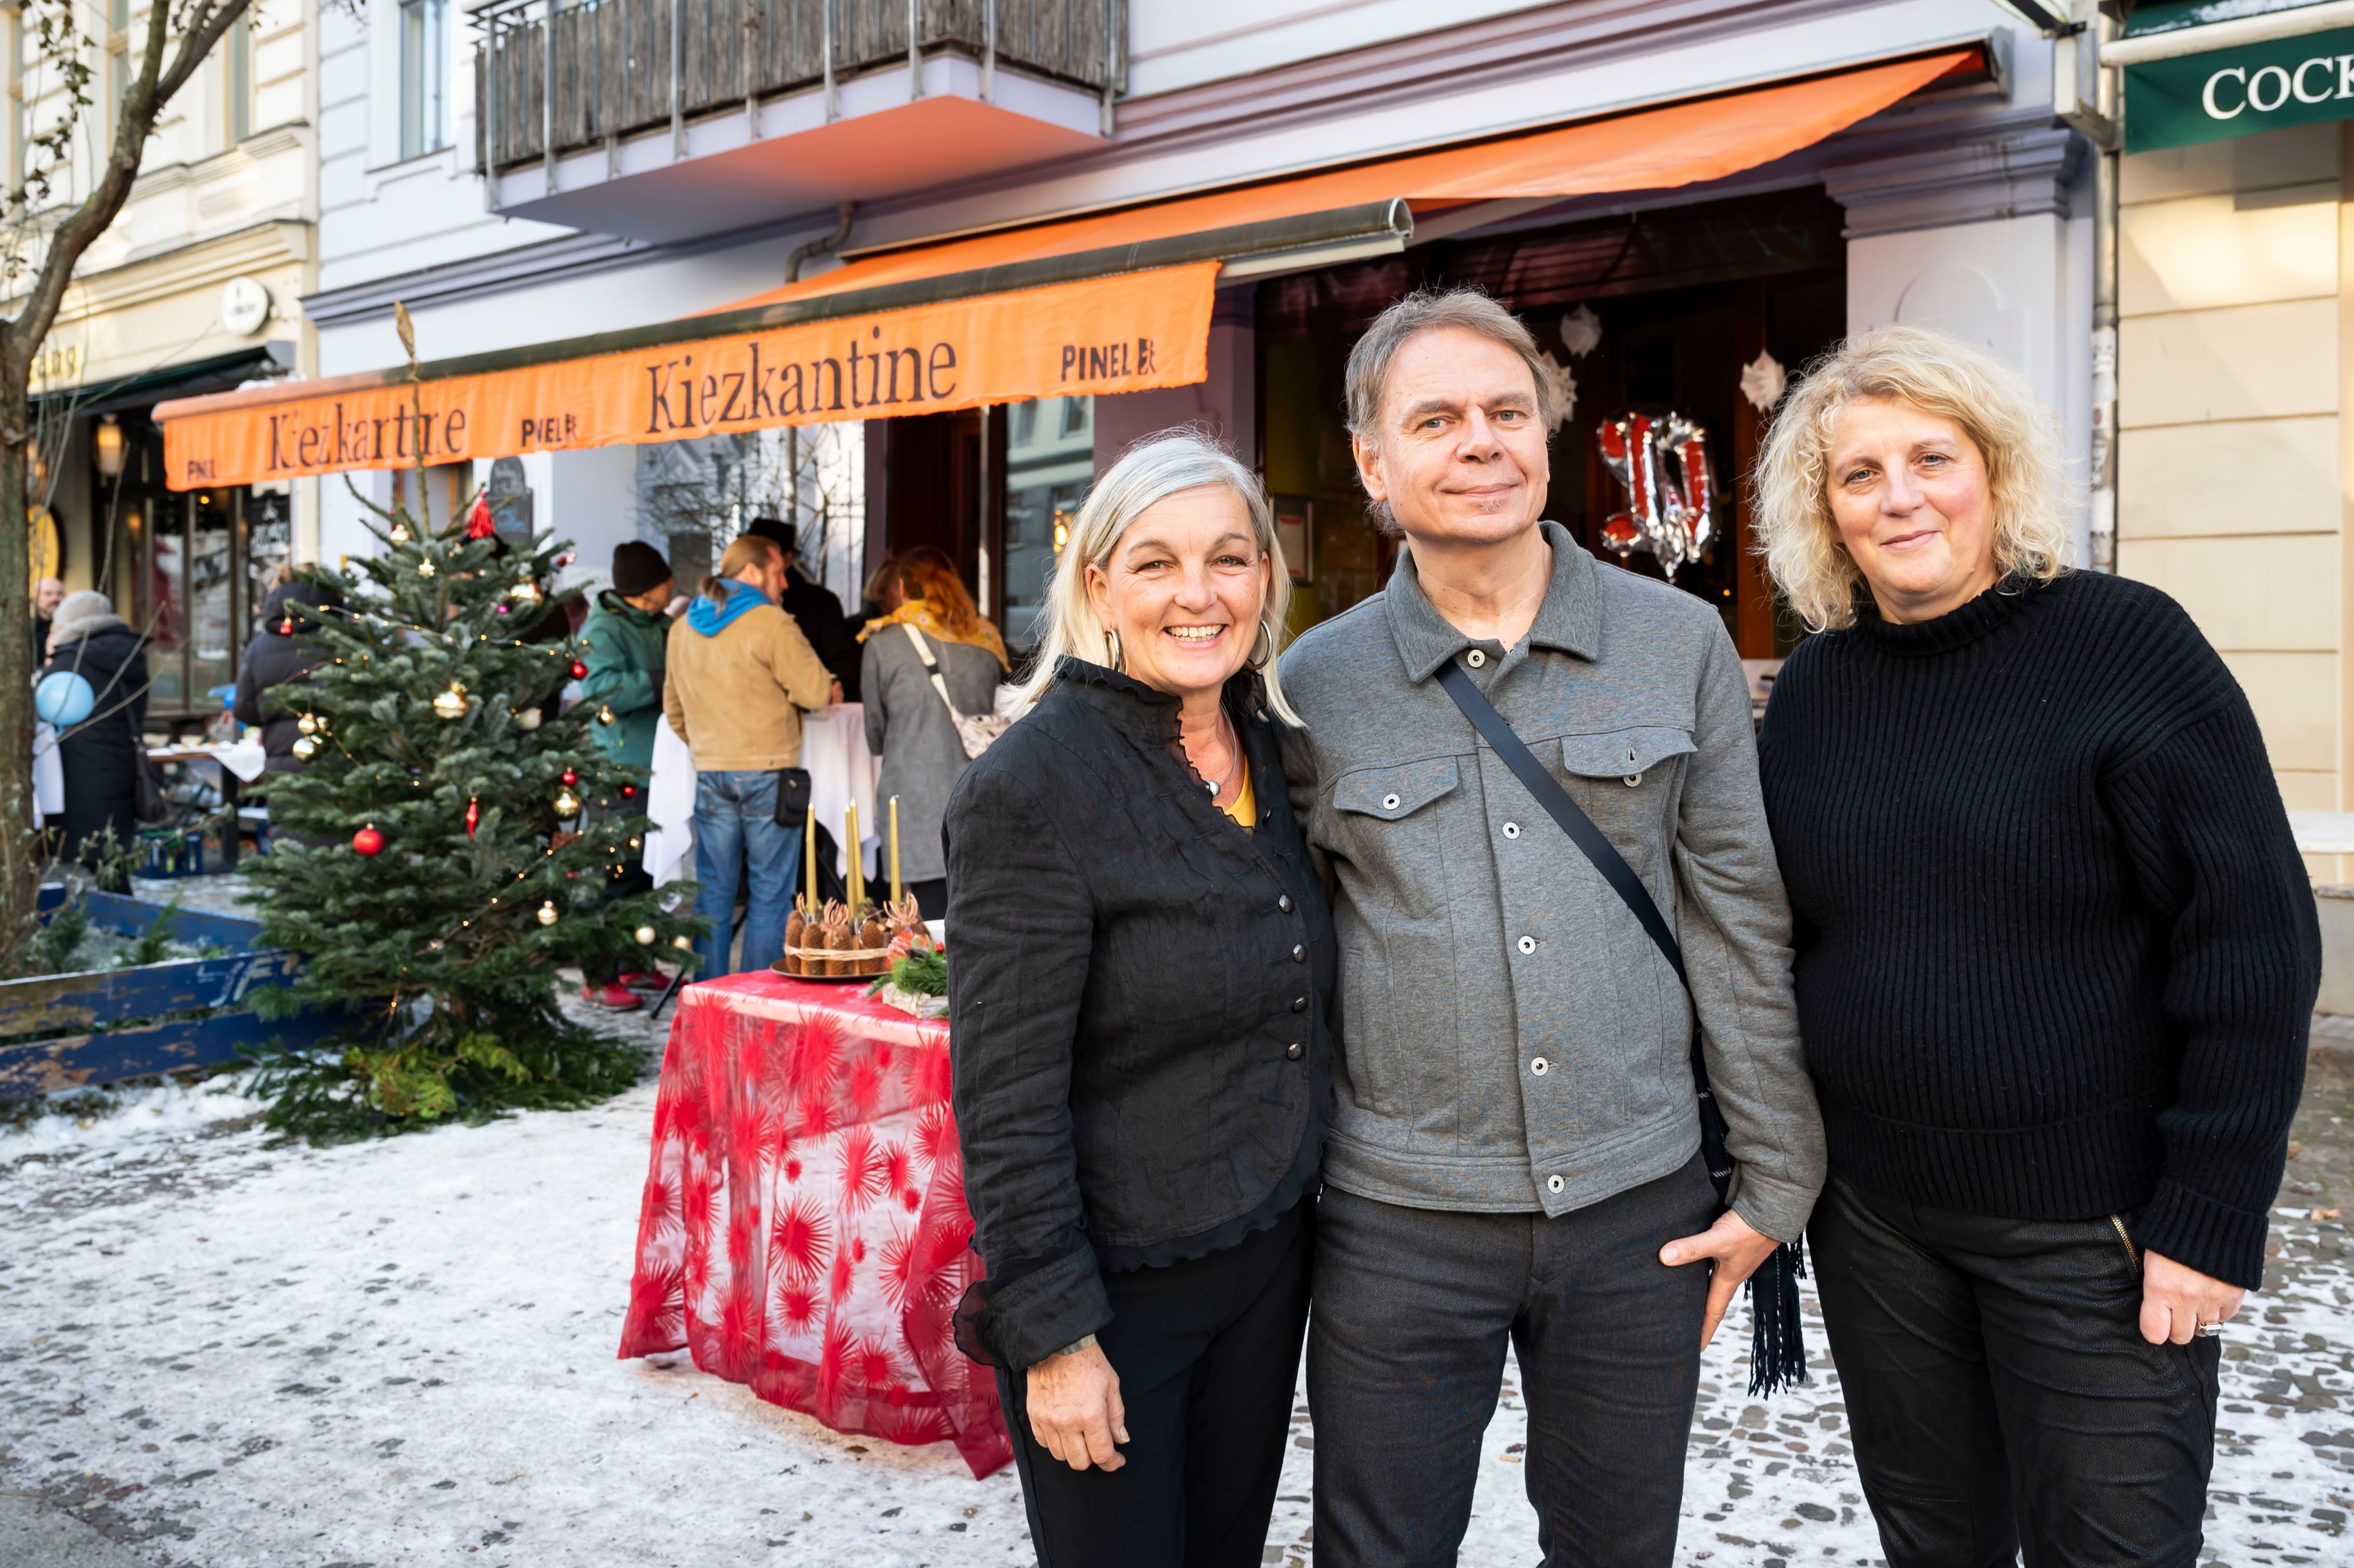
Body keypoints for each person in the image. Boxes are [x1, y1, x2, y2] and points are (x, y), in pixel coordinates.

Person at [1750, 325, 2320, 1567]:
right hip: (1877, 1222)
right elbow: (1782, 936)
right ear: (1823, 512)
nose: (1897, 496)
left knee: (2110, 1546)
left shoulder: (2124, 647)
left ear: (1993, 471)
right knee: (1934, 1541)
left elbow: (2250, 946)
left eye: (1929, 457)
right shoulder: (1811, 692)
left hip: (2092, 1229)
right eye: (1857, 474)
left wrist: (2207, 1212)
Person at [1276, 289, 1824, 1567]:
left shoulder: (1675, 638)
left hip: (1638, 1208)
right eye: (1435, 418)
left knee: (1615, 1543)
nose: (1479, 440)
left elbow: (1734, 916)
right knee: (1379, 1546)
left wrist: (1775, 1177)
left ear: (1543, 432)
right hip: (1397, 1216)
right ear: (1372, 460)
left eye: (1504, 411)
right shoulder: (1311, 683)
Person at [944, 433, 1331, 1567]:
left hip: (1264, 1260)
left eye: (1227, 558)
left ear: (1265, 577)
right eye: (1156, 563)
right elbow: (1004, 1096)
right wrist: (1055, 1335)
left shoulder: (1278, 745)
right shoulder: (1031, 786)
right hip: (1113, 1294)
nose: (1197, 594)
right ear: (1098, 583)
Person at [663, 533, 837, 977]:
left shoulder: (683, 626)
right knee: (769, 895)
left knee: (713, 894)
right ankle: (760, 1009)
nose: (785, 584)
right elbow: (816, 691)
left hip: (710, 771)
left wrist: (710, 747)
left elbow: (674, 710)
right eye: (779, 573)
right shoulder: (771, 622)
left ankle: (709, 1004)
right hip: (768, 772)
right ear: (753, 572)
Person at [856, 546, 1008, 921]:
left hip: (913, 801)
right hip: (981, 794)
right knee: (979, 915)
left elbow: (875, 735)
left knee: (927, 924)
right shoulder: (985, 638)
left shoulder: (883, 643)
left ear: (904, 587)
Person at [575, 540, 674, 1010]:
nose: (672, 586)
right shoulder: (602, 628)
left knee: (647, 874)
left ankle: (636, 962)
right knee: (613, 876)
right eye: (663, 580)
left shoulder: (663, 625)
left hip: (663, 767)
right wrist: (661, 679)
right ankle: (597, 977)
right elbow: (599, 691)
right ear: (643, 589)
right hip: (619, 770)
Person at [44, 590, 149, 885]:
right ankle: (121, 920)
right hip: (119, 764)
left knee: (95, 855)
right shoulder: (130, 653)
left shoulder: (75, 660)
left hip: (80, 770)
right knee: (109, 853)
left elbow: (46, 702)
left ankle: (116, 922)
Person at [743, 516, 860, 699]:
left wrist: (832, 688)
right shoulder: (719, 605)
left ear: (787, 560)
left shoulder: (820, 603)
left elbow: (843, 661)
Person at [234, 579, 341, 776]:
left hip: (282, 770)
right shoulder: (342, 642)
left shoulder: (258, 649)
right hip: (342, 763)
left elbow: (245, 711)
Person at [32, 575, 61, 664]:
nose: (55, 599)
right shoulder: (27, 629)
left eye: (60, 594)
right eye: (48, 594)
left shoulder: (73, 627)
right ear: (35, 599)